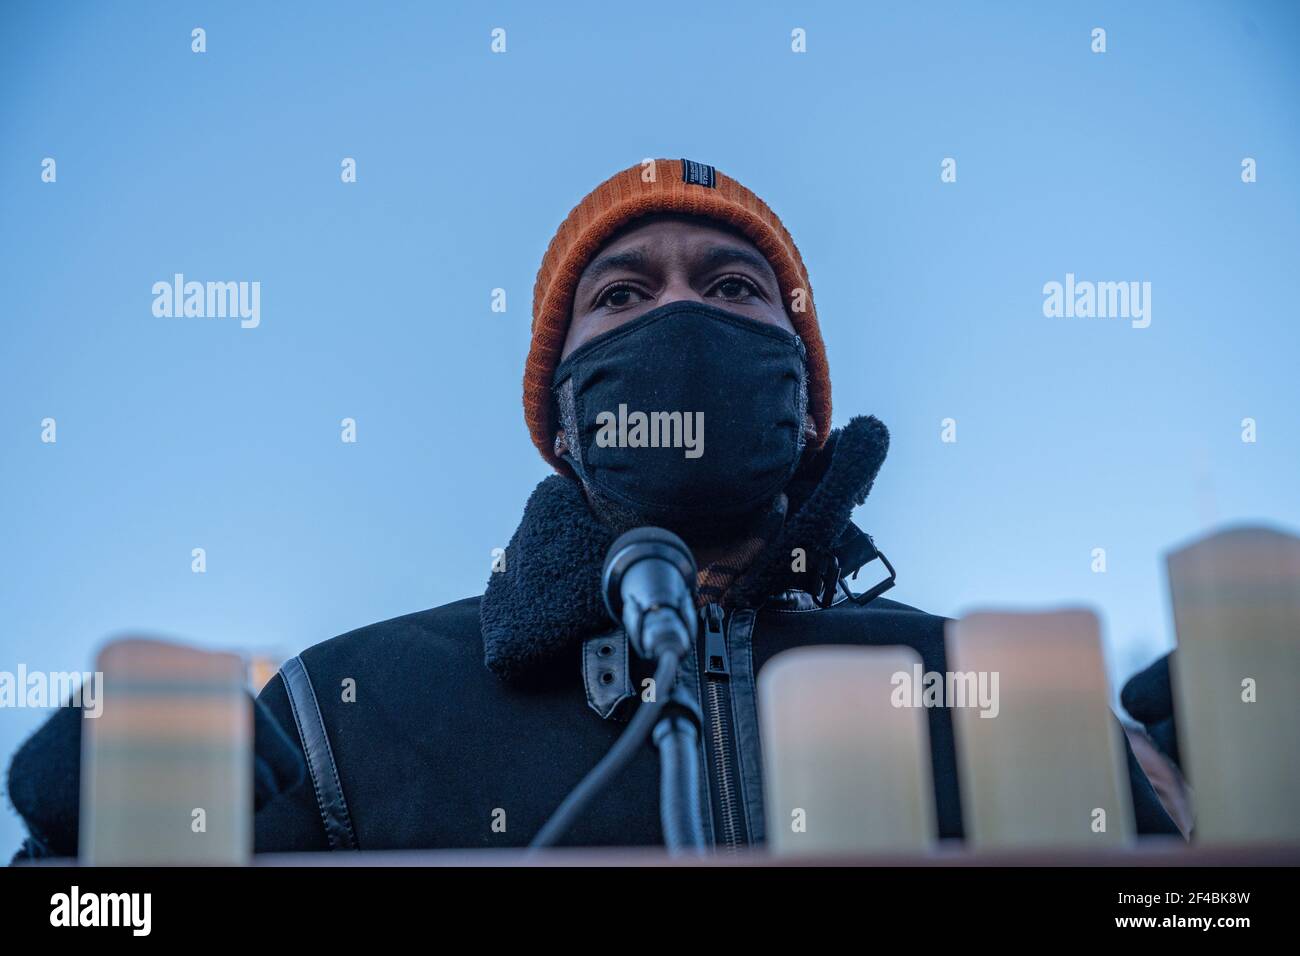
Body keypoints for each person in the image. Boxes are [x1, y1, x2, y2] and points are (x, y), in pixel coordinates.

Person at [7, 159, 1184, 856]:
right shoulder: (342, 711)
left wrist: (1208, 784)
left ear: (801, 394)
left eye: (731, 287)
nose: (681, 314)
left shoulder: (988, 687)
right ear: (562, 413)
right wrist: (98, 864)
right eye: (622, 293)